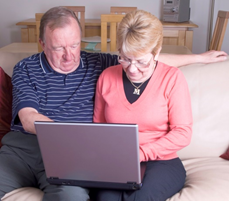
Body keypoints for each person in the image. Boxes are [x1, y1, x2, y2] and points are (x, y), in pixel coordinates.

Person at [0, 6, 227, 201]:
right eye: (59, 48)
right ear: (42, 43)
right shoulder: (28, 68)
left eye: (74, 45)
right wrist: (65, 137)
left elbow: (142, 57)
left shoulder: (99, 62)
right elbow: (28, 117)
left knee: (74, 196)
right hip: (26, 148)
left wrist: (199, 58)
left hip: (79, 154)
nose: (69, 56)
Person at [93, 10, 191, 201]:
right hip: (118, 160)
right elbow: (99, 128)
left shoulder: (172, 78)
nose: (132, 69)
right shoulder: (106, 77)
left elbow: (183, 132)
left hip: (162, 161)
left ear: (157, 52)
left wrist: (141, 153)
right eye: (125, 58)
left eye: (141, 62)